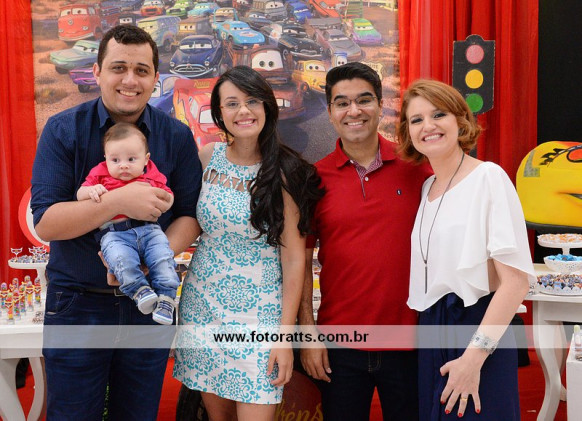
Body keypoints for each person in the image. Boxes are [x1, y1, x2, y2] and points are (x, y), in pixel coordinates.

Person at [31, 24, 202, 420]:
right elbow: (48, 223)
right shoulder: (63, 130)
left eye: (141, 70)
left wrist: (148, 262)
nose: (130, 80)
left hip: (148, 306)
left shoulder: (175, 136)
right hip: (78, 304)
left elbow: (190, 215)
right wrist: (119, 201)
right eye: (118, 67)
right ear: (97, 72)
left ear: (155, 78)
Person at [173, 66, 324, 421]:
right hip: (203, 309)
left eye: (252, 101)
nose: (243, 110)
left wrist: (284, 337)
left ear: (267, 107)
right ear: (219, 113)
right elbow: (192, 223)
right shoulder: (207, 157)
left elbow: (294, 260)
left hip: (260, 317)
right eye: (232, 103)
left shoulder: (285, 171)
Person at [297, 62, 432, 420]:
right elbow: (299, 262)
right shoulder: (313, 179)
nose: (353, 111)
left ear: (381, 105)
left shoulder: (418, 168)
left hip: (410, 341)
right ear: (330, 112)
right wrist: (308, 334)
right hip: (339, 344)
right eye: (342, 103)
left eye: (364, 100)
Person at [397, 79, 535, 420]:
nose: (428, 126)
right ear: (408, 132)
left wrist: (473, 359)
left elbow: (515, 282)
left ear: (460, 120)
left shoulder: (488, 177)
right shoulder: (427, 187)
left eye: (438, 114)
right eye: (416, 119)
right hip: (433, 331)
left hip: (478, 330)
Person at [77, 122, 181, 325]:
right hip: (115, 233)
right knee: (120, 260)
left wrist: (166, 201)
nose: (123, 165)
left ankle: (166, 299)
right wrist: (91, 191)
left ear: (146, 159)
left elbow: (167, 196)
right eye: (115, 160)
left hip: (149, 230)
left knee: (163, 257)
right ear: (105, 159)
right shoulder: (100, 174)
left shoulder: (151, 174)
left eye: (131, 159)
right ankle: (140, 291)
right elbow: (80, 193)